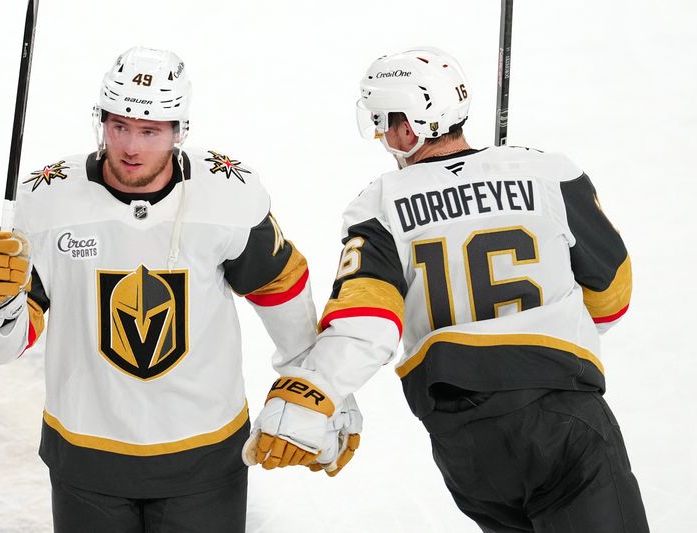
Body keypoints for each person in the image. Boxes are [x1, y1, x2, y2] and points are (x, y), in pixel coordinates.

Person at [245, 46, 649, 532]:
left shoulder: (378, 206)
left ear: (408, 128)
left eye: (382, 122)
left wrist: (311, 393)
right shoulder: (549, 173)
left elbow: (366, 324)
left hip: (467, 448)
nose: (381, 135)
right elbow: (612, 296)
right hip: (562, 420)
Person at [0, 46, 321, 533]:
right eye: (119, 127)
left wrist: (316, 384)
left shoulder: (228, 194)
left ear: (178, 132)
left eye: (149, 131)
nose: (130, 146)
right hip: (87, 461)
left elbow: (279, 287)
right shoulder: (47, 202)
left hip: (205, 460)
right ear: (101, 122)